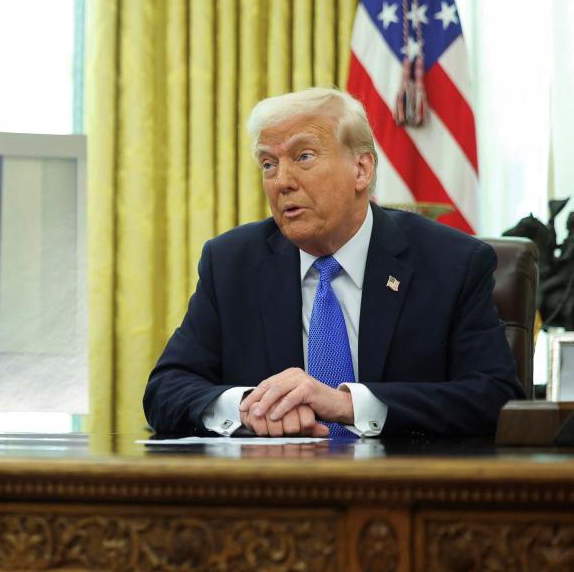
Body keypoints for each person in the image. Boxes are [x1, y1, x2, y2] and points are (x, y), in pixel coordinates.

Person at [143, 87, 523, 438]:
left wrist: (347, 405)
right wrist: (249, 407)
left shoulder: (451, 263)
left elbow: (496, 397)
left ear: (361, 169)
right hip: (273, 484)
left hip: (401, 483)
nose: (281, 181)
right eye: (268, 164)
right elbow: (166, 388)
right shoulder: (231, 263)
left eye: (303, 156)